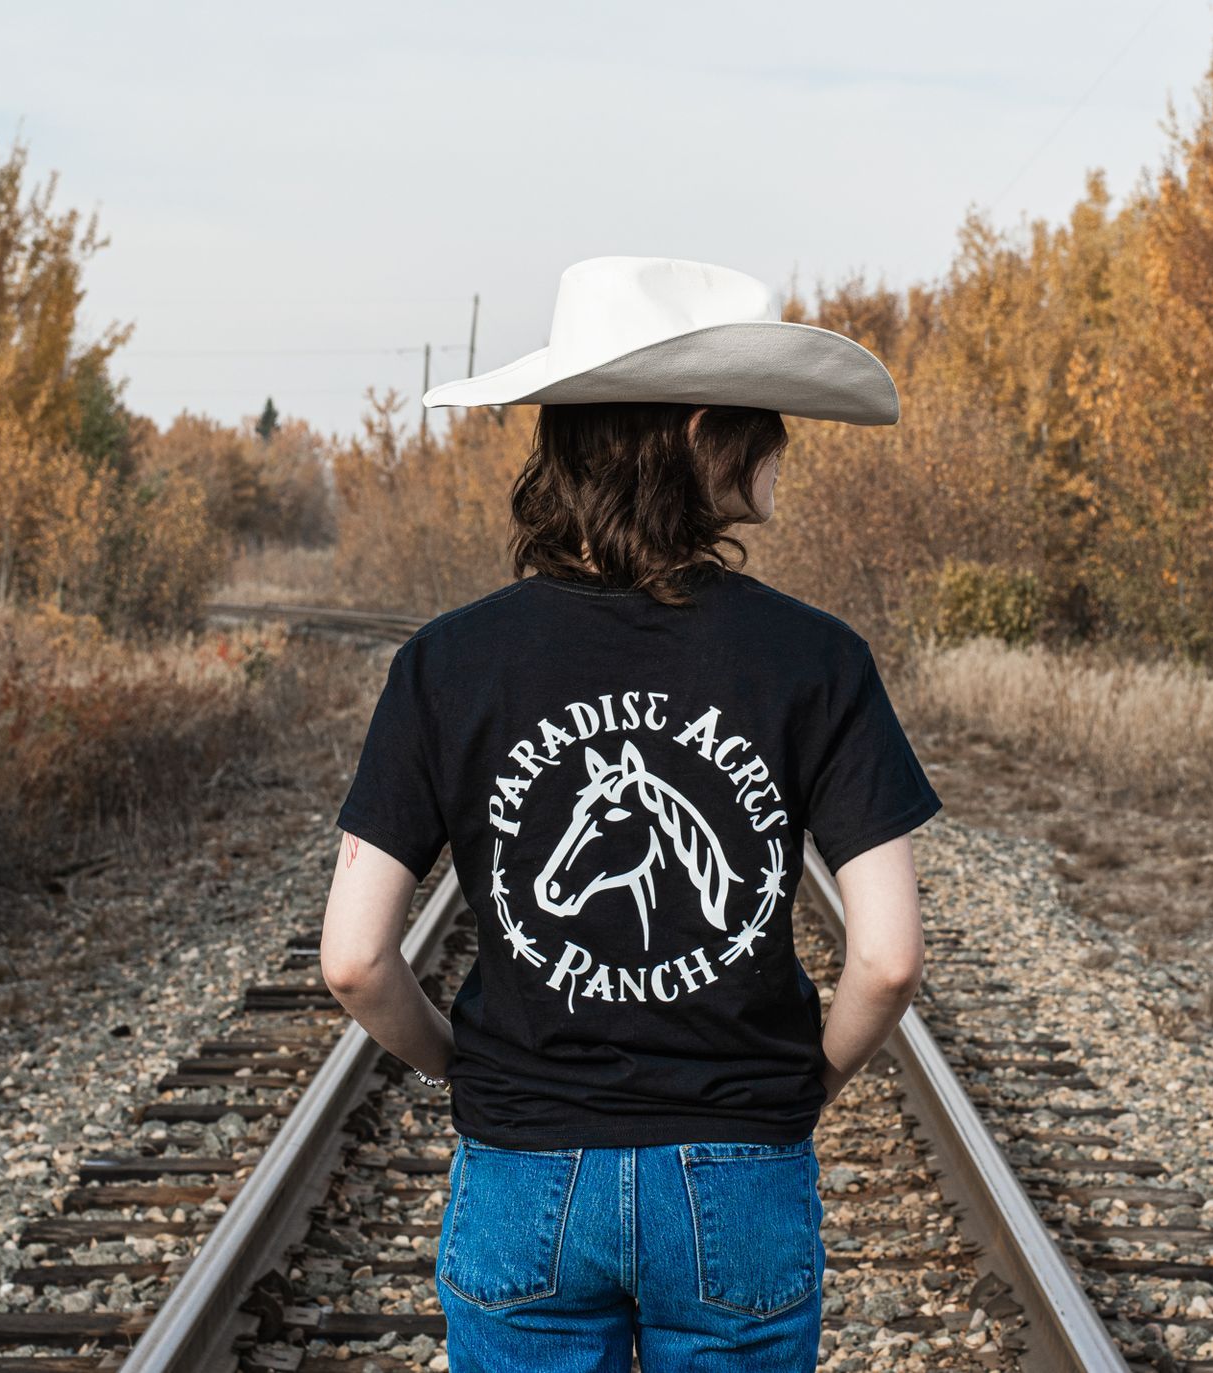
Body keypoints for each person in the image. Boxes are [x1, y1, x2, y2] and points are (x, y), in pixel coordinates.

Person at [319, 255, 942, 1372]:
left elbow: (357, 961)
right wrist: (797, 1086)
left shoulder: (448, 661)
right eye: (766, 421)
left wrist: (468, 1070)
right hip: (736, 1179)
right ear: (704, 431)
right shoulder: (818, 660)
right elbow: (888, 960)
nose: (781, 446)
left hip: (525, 1172)